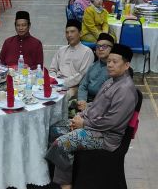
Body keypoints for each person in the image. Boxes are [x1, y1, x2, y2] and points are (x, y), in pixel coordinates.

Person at [45, 44, 138, 189]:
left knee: (61, 144)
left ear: (126, 65)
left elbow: (111, 122)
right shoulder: (110, 81)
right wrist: (80, 116)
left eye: (115, 62)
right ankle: (63, 173)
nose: (110, 65)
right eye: (109, 61)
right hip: (91, 125)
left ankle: (65, 184)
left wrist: (84, 124)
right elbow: (95, 105)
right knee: (53, 130)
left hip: (104, 136)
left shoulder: (126, 90)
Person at [49, 19, 94, 99]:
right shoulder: (61, 50)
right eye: (67, 32)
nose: (69, 35)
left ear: (80, 33)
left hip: (74, 87)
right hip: (56, 84)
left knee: (60, 97)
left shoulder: (87, 52)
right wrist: (55, 81)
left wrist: (62, 83)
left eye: (72, 31)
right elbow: (52, 69)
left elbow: (82, 75)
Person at [76, 33, 114, 112]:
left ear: (112, 49)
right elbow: (83, 85)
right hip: (86, 101)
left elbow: (110, 97)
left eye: (104, 46)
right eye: (98, 46)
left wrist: (89, 106)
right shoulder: (93, 66)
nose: (100, 49)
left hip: (102, 107)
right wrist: (82, 100)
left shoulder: (114, 69)